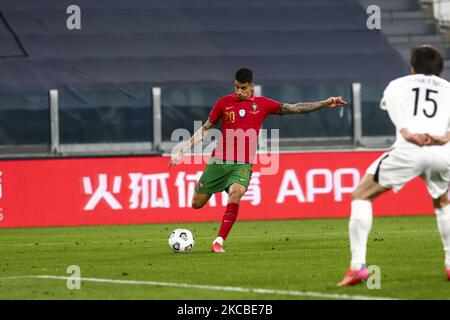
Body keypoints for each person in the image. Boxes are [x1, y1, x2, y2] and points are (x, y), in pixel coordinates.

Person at [169, 68, 347, 252]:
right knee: (196, 204)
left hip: (242, 164)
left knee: (236, 192)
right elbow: (206, 128)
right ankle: (217, 189)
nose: (239, 91)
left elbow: (295, 108)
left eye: (243, 88)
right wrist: (183, 151)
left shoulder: (263, 104)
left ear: (252, 86)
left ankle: (218, 242)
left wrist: (325, 103)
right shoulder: (223, 103)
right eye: (236, 87)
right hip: (218, 162)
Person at [338, 45, 450, 286]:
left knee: (361, 195)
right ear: (440, 68)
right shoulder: (449, 89)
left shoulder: (398, 84)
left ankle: (358, 267)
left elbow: (397, 114)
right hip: (442, 153)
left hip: (410, 149)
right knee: (442, 202)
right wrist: (443, 137)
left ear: (412, 67)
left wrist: (408, 132)